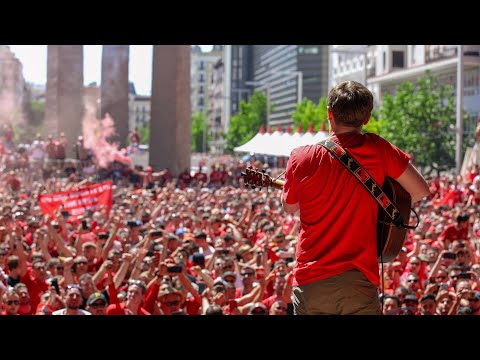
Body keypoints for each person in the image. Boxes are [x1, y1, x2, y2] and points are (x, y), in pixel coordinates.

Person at [282, 81, 430, 315]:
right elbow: (420, 190)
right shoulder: (379, 149)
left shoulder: (303, 157)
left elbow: (290, 207)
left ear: (329, 114)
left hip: (312, 277)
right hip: (359, 278)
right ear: (367, 118)